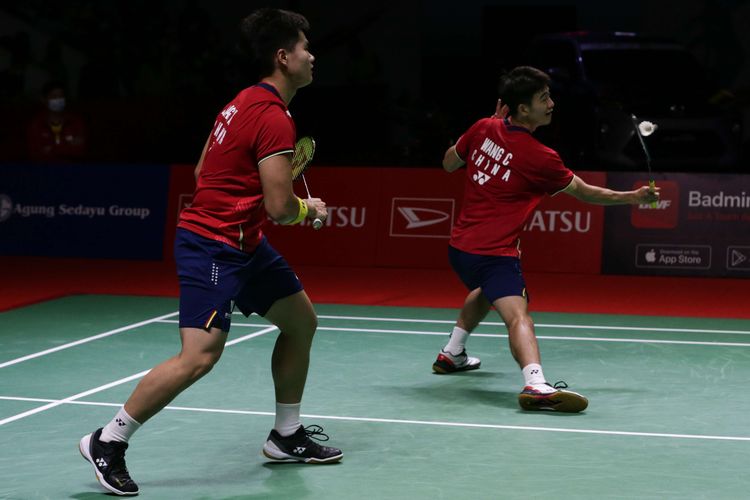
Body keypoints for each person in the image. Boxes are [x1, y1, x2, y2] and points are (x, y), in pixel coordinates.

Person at [79, 9, 342, 496]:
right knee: (199, 356)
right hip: (213, 245)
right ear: (284, 58)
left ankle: (285, 436)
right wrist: (312, 210)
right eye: (305, 47)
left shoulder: (242, 102)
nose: (312, 55)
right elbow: (282, 207)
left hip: (244, 242)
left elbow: (203, 171)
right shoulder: (273, 119)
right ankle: (107, 440)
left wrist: (246, 211)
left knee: (301, 321)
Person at [431, 66, 660, 413]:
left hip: (460, 250)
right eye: (543, 99)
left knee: (486, 290)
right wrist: (632, 198)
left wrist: (485, 130)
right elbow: (584, 193)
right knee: (519, 315)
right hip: (494, 253)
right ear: (523, 109)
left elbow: (449, 163)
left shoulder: (483, 127)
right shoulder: (540, 157)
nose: (551, 104)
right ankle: (536, 384)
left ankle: (452, 354)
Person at [26, 80, 88, 162]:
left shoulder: (76, 122)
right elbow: (35, 154)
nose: (58, 100)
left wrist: (50, 148)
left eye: (61, 97)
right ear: (44, 100)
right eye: (54, 97)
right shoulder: (36, 124)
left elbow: (80, 151)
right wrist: (67, 146)